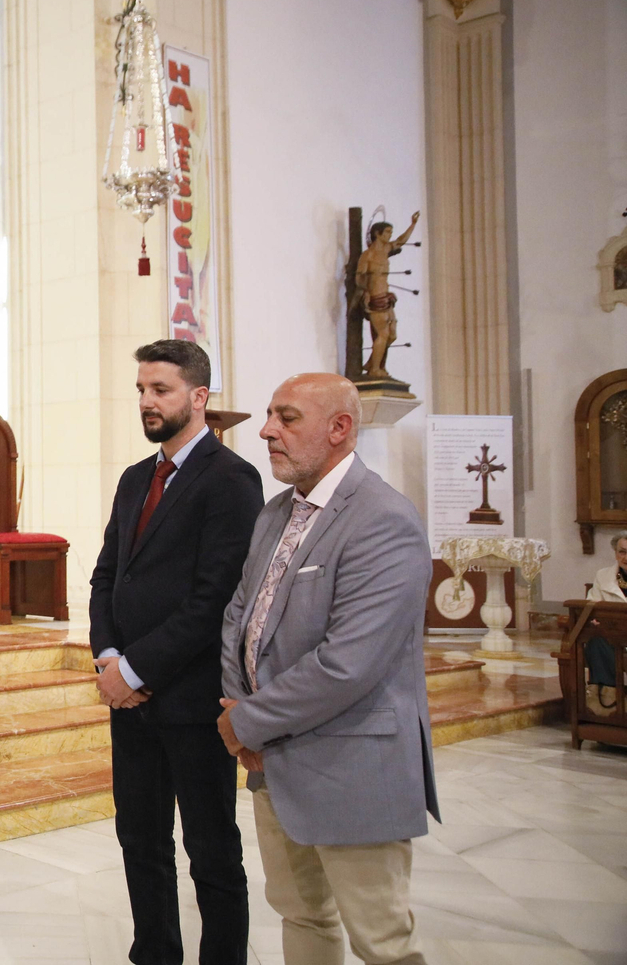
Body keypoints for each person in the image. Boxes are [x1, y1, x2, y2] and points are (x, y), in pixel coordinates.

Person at [217, 373, 437, 965]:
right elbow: (240, 619)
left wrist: (250, 721)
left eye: (287, 418)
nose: (266, 431)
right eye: (269, 416)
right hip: (274, 760)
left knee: (383, 941)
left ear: (340, 429)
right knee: (302, 916)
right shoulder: (274, 515)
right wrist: (240, 711)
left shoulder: (383, 519)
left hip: (351, 763)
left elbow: (349, 663)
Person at [88, 339, 264, 965]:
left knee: (211, 850)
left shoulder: (232, 480)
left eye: (159, 390)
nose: (146, 401)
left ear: (198, 397)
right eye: (141, 389)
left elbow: (215, 598)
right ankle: (154, 954)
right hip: (128, 699)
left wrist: (136, 669)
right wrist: (109, 658)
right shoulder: (137, 478)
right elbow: (107, 575)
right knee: (140, 839)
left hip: (190, 699)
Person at [353, 213, 419, 380]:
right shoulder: (368, 255)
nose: (390, 235)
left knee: (392, 335)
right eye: (388, 232)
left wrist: (413, 224)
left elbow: (401, 240)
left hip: (386, 296)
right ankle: (375, 369)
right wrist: (365, 292)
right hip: (376, 298)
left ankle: (371, 363)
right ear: (378, 234)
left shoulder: (386, 250)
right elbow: (359, 277)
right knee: (383, 334)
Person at [590, 533, 627, 602]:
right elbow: (592, 607)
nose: (626, 558)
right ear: (616, 553)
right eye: (622, 552)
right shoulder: (602, 576)